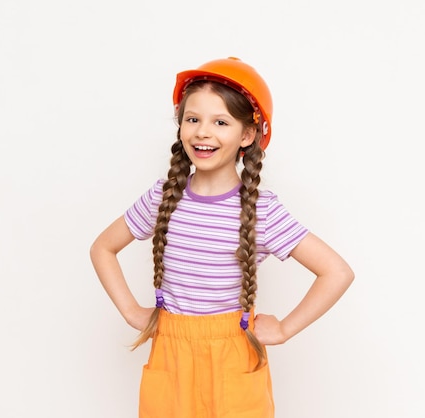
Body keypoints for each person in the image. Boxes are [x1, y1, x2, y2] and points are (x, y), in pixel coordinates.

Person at [90, 57, 355, 418]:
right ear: (180, 126)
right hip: (171, 351)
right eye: (193, 119)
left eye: (220, 122)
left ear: (247, 135)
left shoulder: (262, 210)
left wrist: (285, 329)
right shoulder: (162, 196)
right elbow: (103, 247)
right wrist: (131, 311)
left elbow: (337, 272)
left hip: (234, 355)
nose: (202, 131)